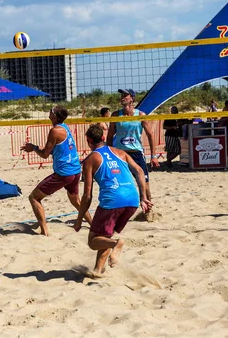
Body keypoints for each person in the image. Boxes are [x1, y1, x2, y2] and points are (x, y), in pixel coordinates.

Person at [74, 124, 152, 276]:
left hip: (113, 201)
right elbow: (140, 171)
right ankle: (97, 270)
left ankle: (118, 243)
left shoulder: (90, 159)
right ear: (104, 138)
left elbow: (87, 195)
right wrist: (143, 197)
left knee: (93, 240)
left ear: (89, 141)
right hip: (132, 199)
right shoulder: (120, 152)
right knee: (105, 236)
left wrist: (79, 218)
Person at [21, 105, 93, 236]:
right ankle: (93, 225)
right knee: (75, 201)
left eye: (50, 112)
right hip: (76, 170)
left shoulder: (55, 131)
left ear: (54, 116)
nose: (48, 114)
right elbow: (55, 149)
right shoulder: (65, 127)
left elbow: (44, 154)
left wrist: (33, 147)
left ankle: (44, 231)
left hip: (64, 173)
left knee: (34, 198)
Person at [107, 88, 159, 203]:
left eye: (125, 95)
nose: (122, 97)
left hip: (136, 153)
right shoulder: (116, 115)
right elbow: (110, 136)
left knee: (145, 186)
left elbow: (150, 135)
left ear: (132, 99)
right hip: (120, 154)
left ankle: (148, 213)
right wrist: (108, 154)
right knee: (119, 186)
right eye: (122, 95)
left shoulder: (140, 114)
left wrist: (154, 156)